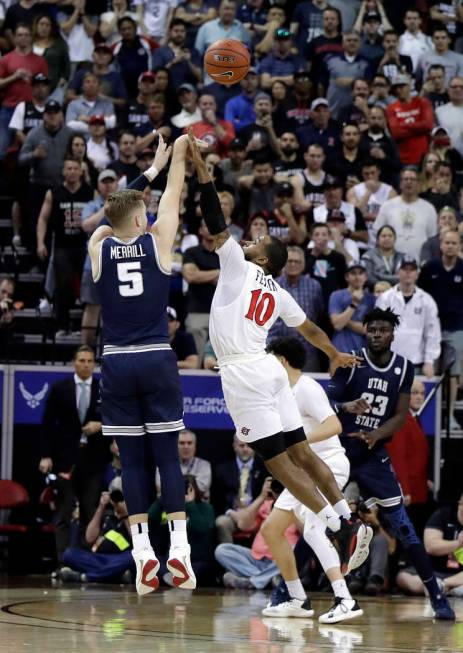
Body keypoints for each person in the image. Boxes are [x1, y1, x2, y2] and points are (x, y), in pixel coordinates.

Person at [187, 130, 372, 575]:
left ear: (262, 259)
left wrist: (202, 170)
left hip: (244, 372)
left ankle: (336, 526)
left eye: (256, 242)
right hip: (269, 368)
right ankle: (347, 517)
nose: (248, 241)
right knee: (302, 453)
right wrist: (332, 354)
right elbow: (308, 327)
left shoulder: (237, 265)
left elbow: (214, 217)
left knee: (279, 462)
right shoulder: (277, 288)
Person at [87, 133, 203, 595]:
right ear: (141, 216)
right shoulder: (158, 242)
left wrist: (146, 173)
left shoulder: (99, 246)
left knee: (132, 463)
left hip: (116, 362)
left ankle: (141, 556)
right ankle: (179, 551)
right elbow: (174, 193)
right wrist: (174, 155)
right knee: (167, 459)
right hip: (156, 357)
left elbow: (106, 217)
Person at [325, 306, 455, 620]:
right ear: (365, 332)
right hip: (341, 451)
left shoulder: (403, 367)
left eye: (382, 330)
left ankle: (436, 595)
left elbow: (400, 416)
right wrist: (346, 404)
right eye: (371, 330)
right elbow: (329, 397)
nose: (377, 335)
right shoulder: (351, 360)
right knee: (319, 520)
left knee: (405, 528)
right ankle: (288, 589)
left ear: (392, 334)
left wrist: (376, 434)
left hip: (372, 455)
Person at [261, 337, 364, 623]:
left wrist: (298, 441)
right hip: (301, 475)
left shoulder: (306, 388)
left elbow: (334, 425)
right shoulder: (281, 392)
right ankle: (297, 598)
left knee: (312, 531)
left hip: (327, 465)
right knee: (271, 530)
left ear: (281, 361)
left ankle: (346, 599)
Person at [38, 346, 109, 563]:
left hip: (93, 462)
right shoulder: (60, 388)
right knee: (64, 513)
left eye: (89, 361)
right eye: (82, 360)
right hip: (65, 461)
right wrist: (46, 455)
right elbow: (47, 424)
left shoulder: (103, 389)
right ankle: (62, 562)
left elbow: (118, 420)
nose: (86, 364)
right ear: (74, 362)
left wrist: (100, 424)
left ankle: (85, 562)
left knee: (89, 511)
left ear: (94, 364)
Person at [36, 157, 94, 336]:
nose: (72, 172)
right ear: (63, 171)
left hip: (84, 245)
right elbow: (43, 219)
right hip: (62, 246)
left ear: (81, 171)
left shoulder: (90, 192)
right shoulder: (53, 192)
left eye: (75, 168)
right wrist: (40, 243)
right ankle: (63, 325)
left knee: (86, 286)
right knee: (63, 284)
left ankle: (82, 327)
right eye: (68, 168)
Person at [215, 477, 300, 590]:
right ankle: (268, 579)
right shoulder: (267, 503)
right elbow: (243, 525)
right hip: (256, 558)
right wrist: (262, 497)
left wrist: (293, 507)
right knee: (222, 550)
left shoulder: (299, 505)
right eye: (277, 489)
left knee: (296, 550)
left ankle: (253, 582)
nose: (279, 493)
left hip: (281, 560)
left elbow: (306, 533)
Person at [419, 229, 463, 430]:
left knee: (453, 374)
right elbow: (421, 294)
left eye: (454, 243)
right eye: (447, 243)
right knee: (432, 372)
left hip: (456, 328)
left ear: (459, 246)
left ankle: (451, 415)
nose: (450, 246)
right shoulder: (430, 267)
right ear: (441, 245)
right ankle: (432, 416)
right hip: (431, 328)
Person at [375, 256, 441, 377]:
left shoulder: (427, 300)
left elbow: (432, 333)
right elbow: (377, 330)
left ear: (417, 273)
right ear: (398, 272)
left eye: (412, 269)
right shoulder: (385, 298)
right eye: (405, 269)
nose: (408, 273)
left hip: (416, 362)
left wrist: (429, 361)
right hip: (388, 362)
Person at [385, 379, 432, 536]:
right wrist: (404, 490)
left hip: (418, 490)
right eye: (415, 393)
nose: (419, 397)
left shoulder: (413, 418)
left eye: (422, 393)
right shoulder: (402, 419)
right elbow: (398, 457)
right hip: (408, 493)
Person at [59, 488, 133, 584]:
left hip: (119, 559)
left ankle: (85, 577)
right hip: (97, 558)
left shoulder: (133, 517)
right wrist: (101, 507)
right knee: (69, 554)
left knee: (132, 557)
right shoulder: (107, 515)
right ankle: (114, 576)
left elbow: (136, 539)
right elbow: (89, 538)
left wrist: (125, 516)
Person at [396, 492, 463, 599]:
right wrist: (458, 544)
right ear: (459, 504)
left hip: (459, 575)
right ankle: (440, 587)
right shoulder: (444, 515)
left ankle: (442, 586)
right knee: (403, 577)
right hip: (434, 571)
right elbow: (430, 546)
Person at [269, 246, 324, 372]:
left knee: (308, 387)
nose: (293, 264)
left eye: (297, 261)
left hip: (307, 350)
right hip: (277, 351)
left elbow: (318, 312)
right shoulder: (271, 286)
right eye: (289, 261)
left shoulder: (314, 286)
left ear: (302, 264)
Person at [0, 22, 48, 160]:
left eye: (26, 35)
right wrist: (14, 77)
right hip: (9, 108)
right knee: (1, 150)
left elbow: (45, 86)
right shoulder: (6, 59)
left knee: (32, 150)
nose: (23, 38)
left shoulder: (40, 61)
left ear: (31, 37)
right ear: (14, 37)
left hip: (32, 110)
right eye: (20, 35)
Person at [373, 167, 438, 261]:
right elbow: (378, 235)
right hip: (391, 263)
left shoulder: (429, 208)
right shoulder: (387, 206)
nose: (409, 182)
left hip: (420, 264)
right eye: (406, 179)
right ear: (400, 183)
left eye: (412, 179)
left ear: (419, 184)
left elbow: (432, 239)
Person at [386, 74, 434, 166]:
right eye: (396, 88)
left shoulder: (422, 103)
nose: (398, 90)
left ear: (409, 86)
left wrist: (403, 125)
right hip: (403, 157)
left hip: (423, 155)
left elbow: (428, 125)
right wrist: (419, 128)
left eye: (402, 86)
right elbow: (396, 132)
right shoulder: (391, 108)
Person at [329, 261, 375, 353]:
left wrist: (344, 321)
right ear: (347, 277)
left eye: (360, 273)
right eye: (353, 273)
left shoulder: (372, 299)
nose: (357, 277)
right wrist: (354, 304)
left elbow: (370, 330)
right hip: (341, 350)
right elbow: (337, 325)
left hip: (365, 351)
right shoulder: (336, 295)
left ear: (365, 277)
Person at [436, 76, 463, 157]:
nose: (458, 89)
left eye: (461, 87)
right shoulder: (439, 111)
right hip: (448, 157)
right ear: (448, 90)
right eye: (454, 87)